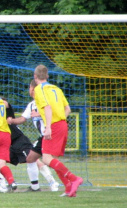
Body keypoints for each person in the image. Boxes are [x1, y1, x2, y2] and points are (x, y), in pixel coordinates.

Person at [33, 64, 83, 197]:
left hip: (54, 126)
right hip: (62, 123)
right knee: (52, 159)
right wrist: (59, 120)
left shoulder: (39, 89)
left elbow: (47, 108)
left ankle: (73, 179)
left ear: (35, 76)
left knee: (46, 158)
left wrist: (49, 126)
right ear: (47, 76)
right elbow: (68, 109)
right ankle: (68, 189)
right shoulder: (56, 88)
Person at [6, 80, 59, 192]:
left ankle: (55, 182)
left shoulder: (46, 101)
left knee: (46, 159)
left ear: (33, 88)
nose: (29, 90)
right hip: (43, 136)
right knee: (31, 158)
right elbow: (22, 119)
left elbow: (55, 110)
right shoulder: (31, 105)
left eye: (30, 87)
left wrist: (39, 114)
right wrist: (12, 120)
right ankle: (35, 187)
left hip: (52, 133)